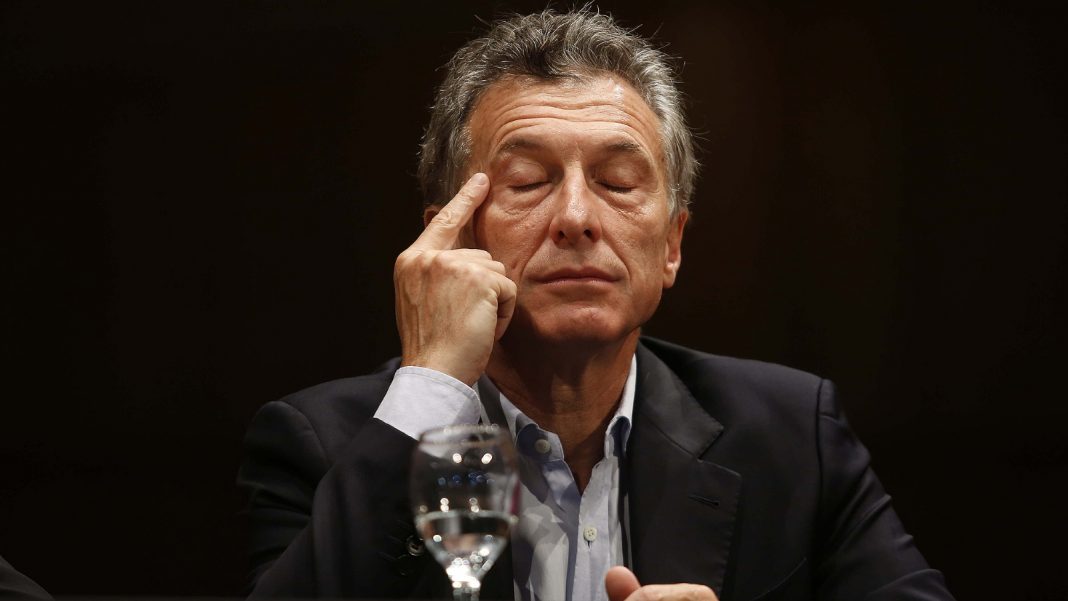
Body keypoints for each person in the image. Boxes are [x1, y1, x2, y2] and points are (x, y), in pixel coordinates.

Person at [237, 9, 954, 601]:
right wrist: (432, 384)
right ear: (447, 242)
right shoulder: (320, 446)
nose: (577, 217)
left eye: (617, 182)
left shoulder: (794, 438)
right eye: (527, 180)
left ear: (671, 244)